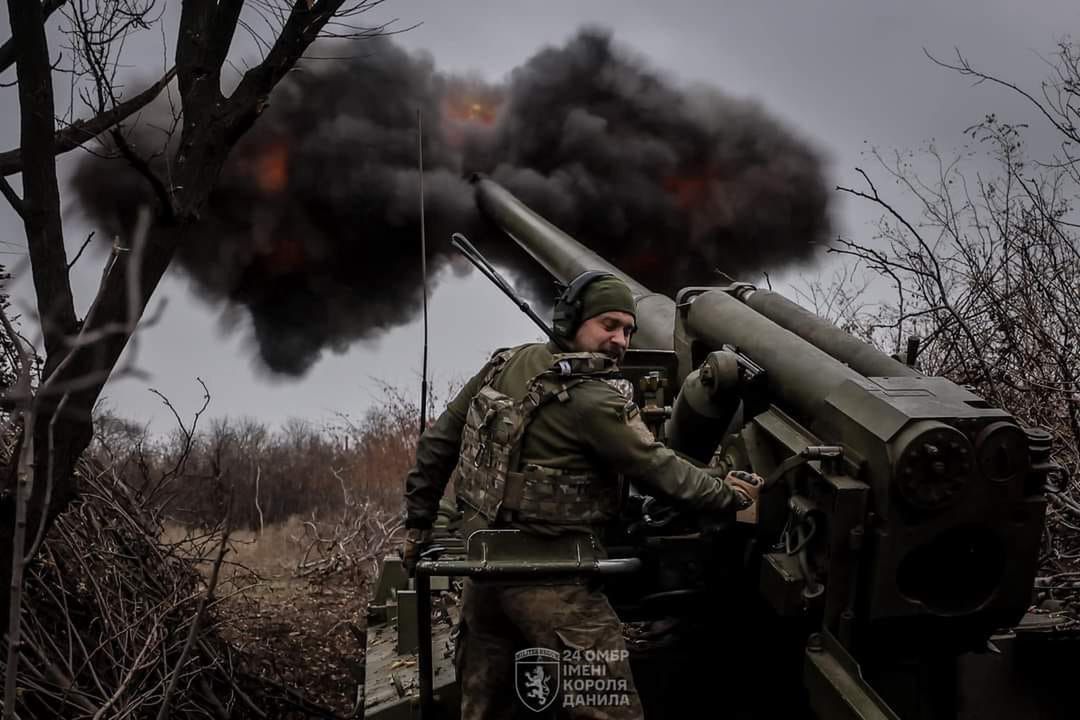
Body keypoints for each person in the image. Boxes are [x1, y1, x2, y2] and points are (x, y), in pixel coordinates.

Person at [401, 271, 762, 719]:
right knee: (609, 709)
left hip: (485, 574)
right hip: (554, 584)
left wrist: (419, 521)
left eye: (628, 330)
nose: (620, 340)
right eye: (608, 325)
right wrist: (729, 496)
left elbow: (439, 442)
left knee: (485, 709)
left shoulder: (504, 364)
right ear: (571, 321)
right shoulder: (594, 400)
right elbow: (659, 471)